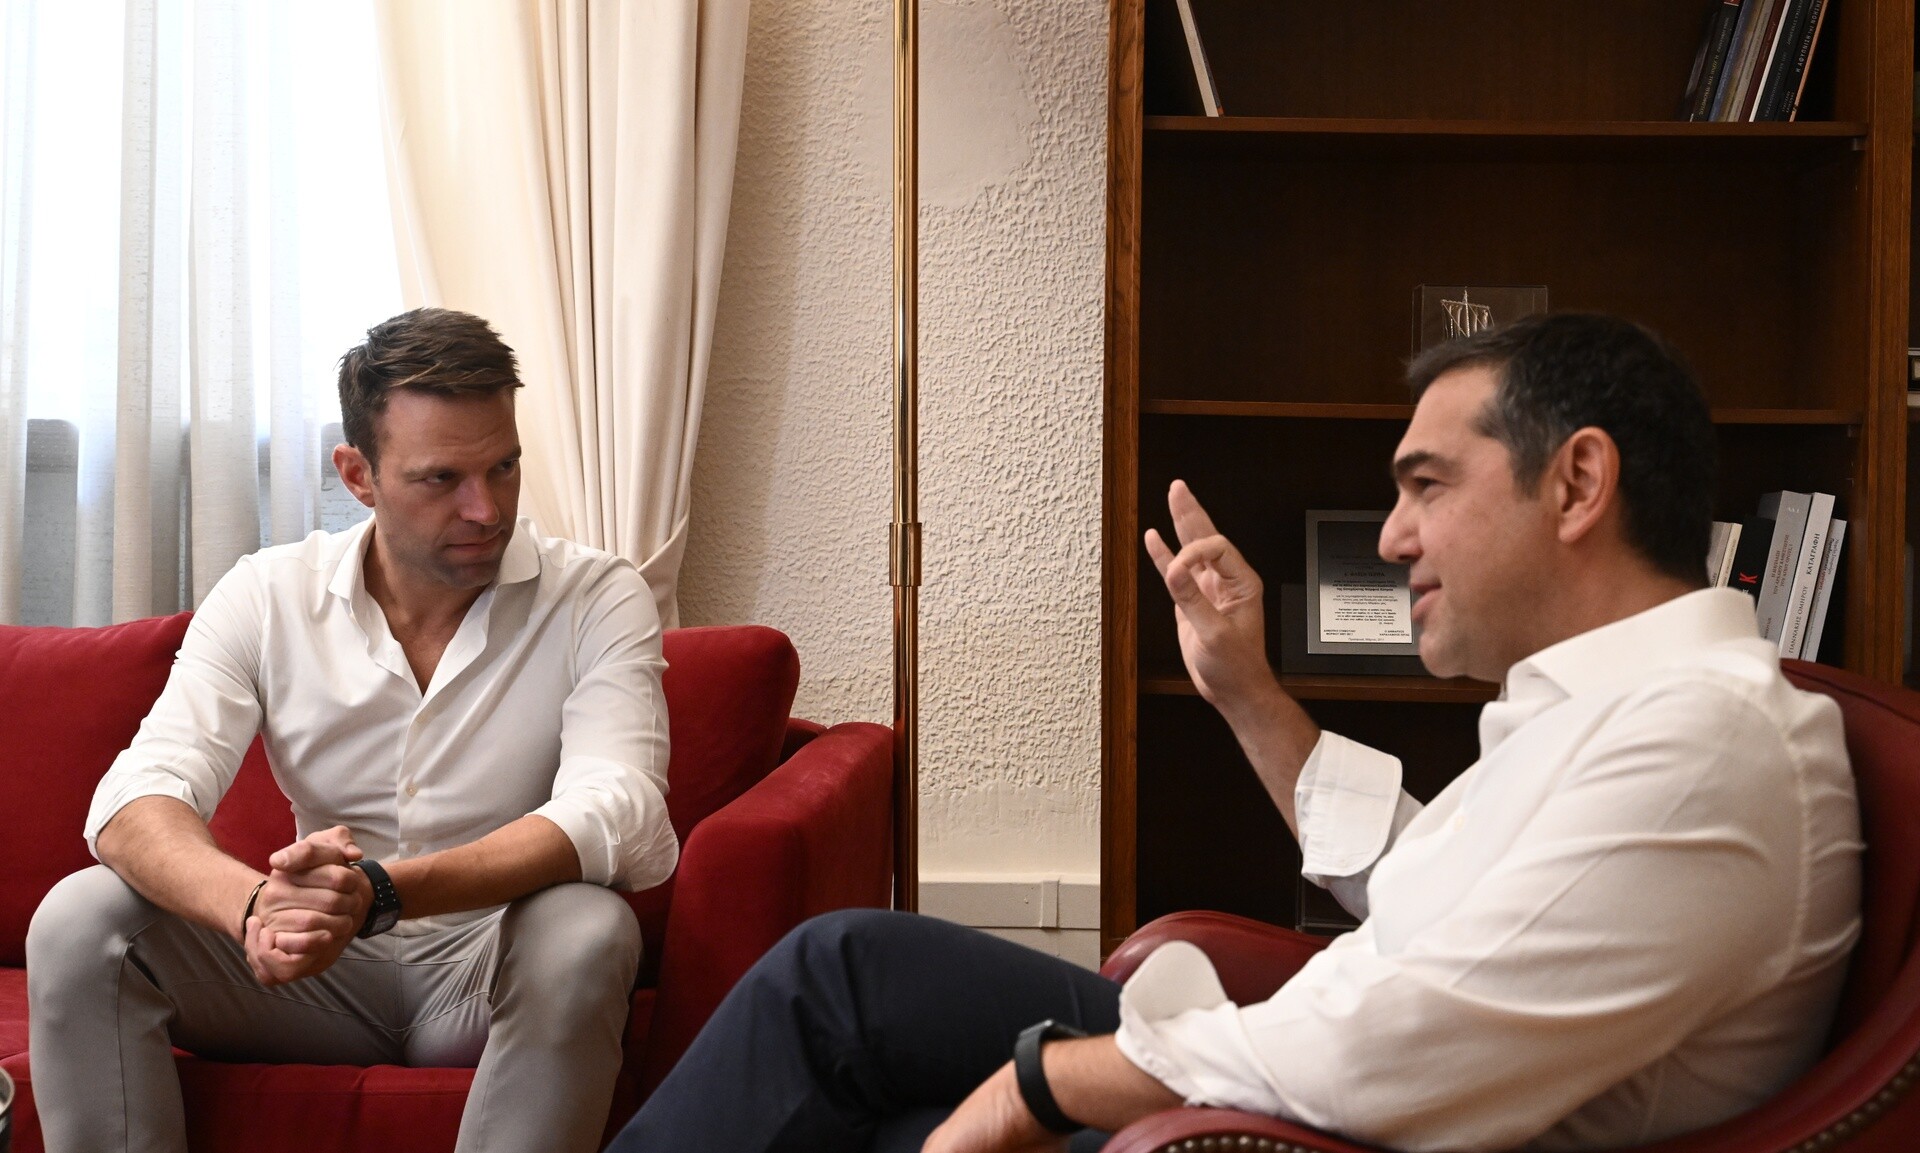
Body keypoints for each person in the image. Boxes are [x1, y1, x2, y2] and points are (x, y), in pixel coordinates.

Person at [608, 312, 1861, 1153]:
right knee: (849, 987)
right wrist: (1247, 690)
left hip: (1317, 1124)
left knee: (849, 1024)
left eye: (1426, 485)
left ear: (1578, 482)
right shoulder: (1624, 711)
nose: (1391, 537)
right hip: (1317, 1078)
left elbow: (1393, 1044)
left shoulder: (1700, 743)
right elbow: (1424, 881)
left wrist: (1039, 1083)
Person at [26, 308, 677, 1153]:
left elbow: (620, 810)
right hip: (310, 981)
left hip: (490, 969)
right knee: (79, 918)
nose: (487, 508)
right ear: (358, 474)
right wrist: (255, 909)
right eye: (441, 478)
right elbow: (137, 797)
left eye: (504, 466)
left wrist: (383, 890)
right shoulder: (268, 594)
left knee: (589, 927)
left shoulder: (597, 596)